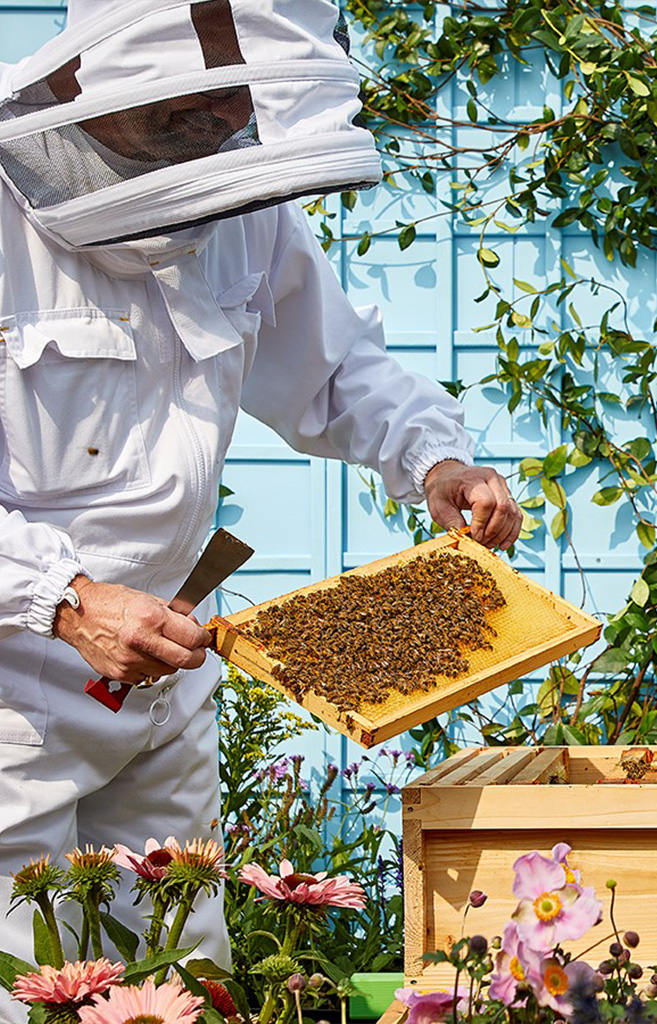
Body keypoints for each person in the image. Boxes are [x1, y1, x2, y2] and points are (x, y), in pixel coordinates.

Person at [0, 0, 521, 1015]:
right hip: (13, 698)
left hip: (164, 682)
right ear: (108, 69)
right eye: (197, 101)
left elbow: (333, 366)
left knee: (184, 983)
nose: (223, 124)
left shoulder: (236, 201)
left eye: (240, 102)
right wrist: (61, 598)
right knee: (27, 990)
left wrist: (433, 458)